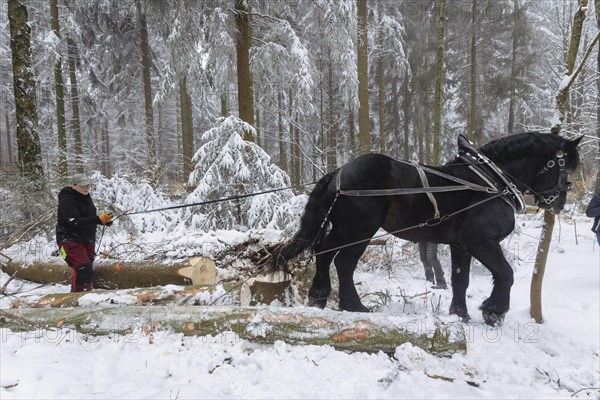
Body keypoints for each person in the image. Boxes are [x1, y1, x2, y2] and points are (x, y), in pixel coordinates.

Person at [56, 173, 113, 292]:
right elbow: (74, 221)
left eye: (87, 185)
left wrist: (103, 221)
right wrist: (98, 219)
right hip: (69, 240)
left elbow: (89, 217)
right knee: (83, 268)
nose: (86, 188)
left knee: (87, 267)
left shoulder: (86, 196)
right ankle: (79, 296)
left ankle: (83, 293)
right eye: (82, 186)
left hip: (87, 238)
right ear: (73, 185)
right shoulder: (67, 199)